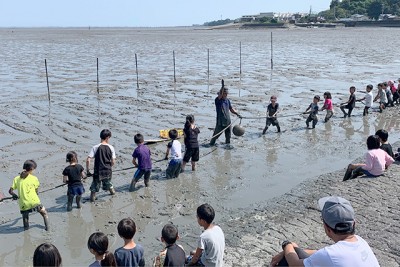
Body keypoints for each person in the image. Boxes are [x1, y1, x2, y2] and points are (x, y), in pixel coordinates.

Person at [270, 196, 380, 267]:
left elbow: (294, 264)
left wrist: (287, 245)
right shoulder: (361, 242)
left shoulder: (330, 254)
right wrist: (293, 249)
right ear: (354, 223)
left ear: (327, 228)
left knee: (286, 262)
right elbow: (320, 254)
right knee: (295, 253)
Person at [9, 160, 49, 231]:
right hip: (34, 202)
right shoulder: (34, 178)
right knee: (44, 213)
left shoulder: (16, 179)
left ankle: (26, 231)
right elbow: (36, 191)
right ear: (31, 169)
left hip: (23, 204)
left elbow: (10, 191)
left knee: (25, 218)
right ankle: (47, 228)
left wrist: (14, 195)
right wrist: (36, 193)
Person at [86, 129, 116, 202]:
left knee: (94, 188)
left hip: (98, 171)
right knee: (109, 183)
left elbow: (88, 159)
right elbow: (113, 161)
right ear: (108, 137)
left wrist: (88, 170)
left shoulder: (95, 147)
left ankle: (92, 200)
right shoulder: (111, 147)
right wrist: (110, 167)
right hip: (107, 170)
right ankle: (113, 193)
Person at [209, 79, 241, 146]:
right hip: (220, 123)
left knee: (228, 137)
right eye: (224, 93)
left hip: (228, 122)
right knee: (215, 136)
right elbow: (220, 96)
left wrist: (237, 114)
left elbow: (231, 109)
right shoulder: (217, 100)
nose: (226, 94)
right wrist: (222, 86)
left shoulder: (227, 101)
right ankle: (210, 145)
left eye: (226, 93)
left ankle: (227, 149)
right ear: (221, 93)